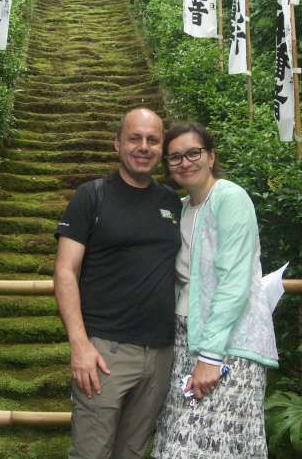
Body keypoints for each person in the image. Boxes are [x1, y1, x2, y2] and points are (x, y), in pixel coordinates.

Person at [54, 107, 182, 459]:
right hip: (105, 352)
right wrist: (80, 344)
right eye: (135, 138)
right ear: (117, 143)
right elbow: (65, 271)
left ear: (162, 147)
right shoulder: (91, 196)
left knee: (134, 452)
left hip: (160, 352)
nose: (144, 147)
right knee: (91, 452)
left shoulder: (172, 202)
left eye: (153, 140)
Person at [152, 121, 279, 459]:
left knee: (211, 447)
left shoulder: (230, 198)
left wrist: (211, 356)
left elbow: (234, 281)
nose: (185, 162)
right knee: (174, 441)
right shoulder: (181, 208)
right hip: (185, 338)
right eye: (174, 157)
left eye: (193, 153)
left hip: (228, 346)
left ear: (210, 156)